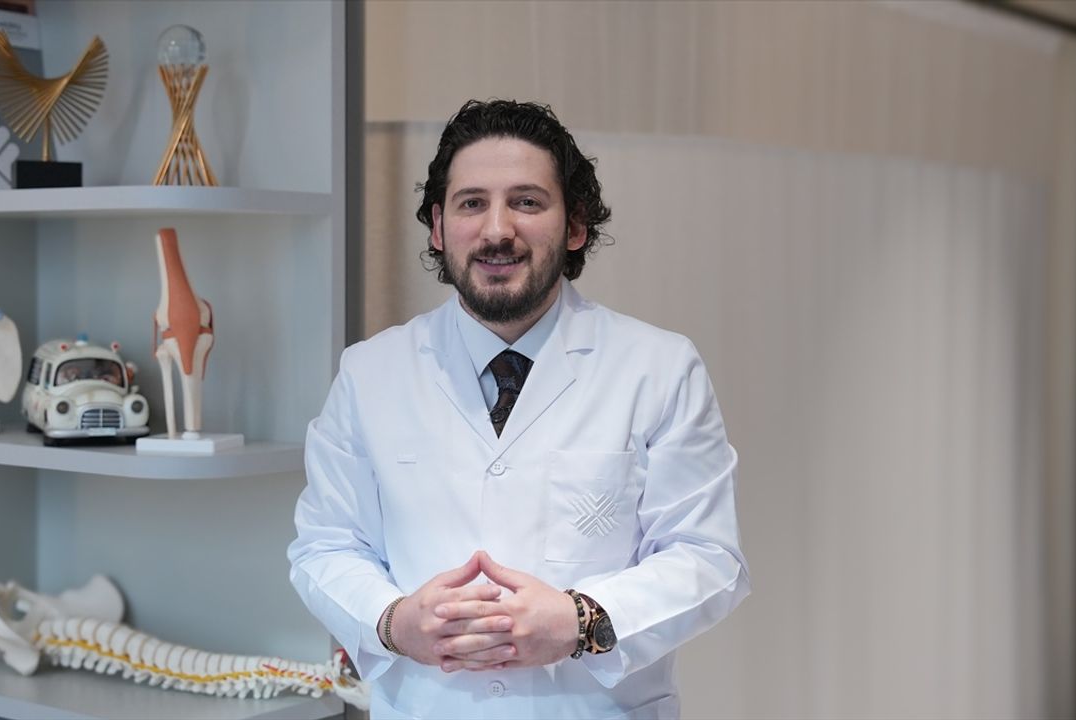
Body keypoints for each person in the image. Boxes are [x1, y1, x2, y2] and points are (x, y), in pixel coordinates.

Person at [288, 99, 749, 719]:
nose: (497, 230)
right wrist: (394, 622)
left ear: (575, 225)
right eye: (471, 203)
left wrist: (580, 621)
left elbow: (709, 558)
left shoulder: (659, 368)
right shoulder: (370, 373)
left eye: (527, 202)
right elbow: (325, 547)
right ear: (437, 227)